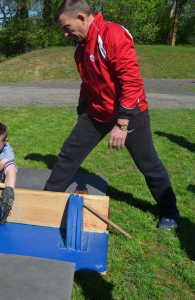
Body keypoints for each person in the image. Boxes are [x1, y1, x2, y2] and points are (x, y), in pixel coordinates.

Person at [45, 0, 179, 230]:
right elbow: (87, 83)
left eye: (66, 27)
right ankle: (47, 198)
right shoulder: (80, 46)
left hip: (130, 112)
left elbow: (131, 81)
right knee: (69, 153)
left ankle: (170, 211)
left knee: (147, 163)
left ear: (81, 18)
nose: (65, 34)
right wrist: (81, 112)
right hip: (96, 111)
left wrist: (123, 123)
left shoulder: (113, 35)